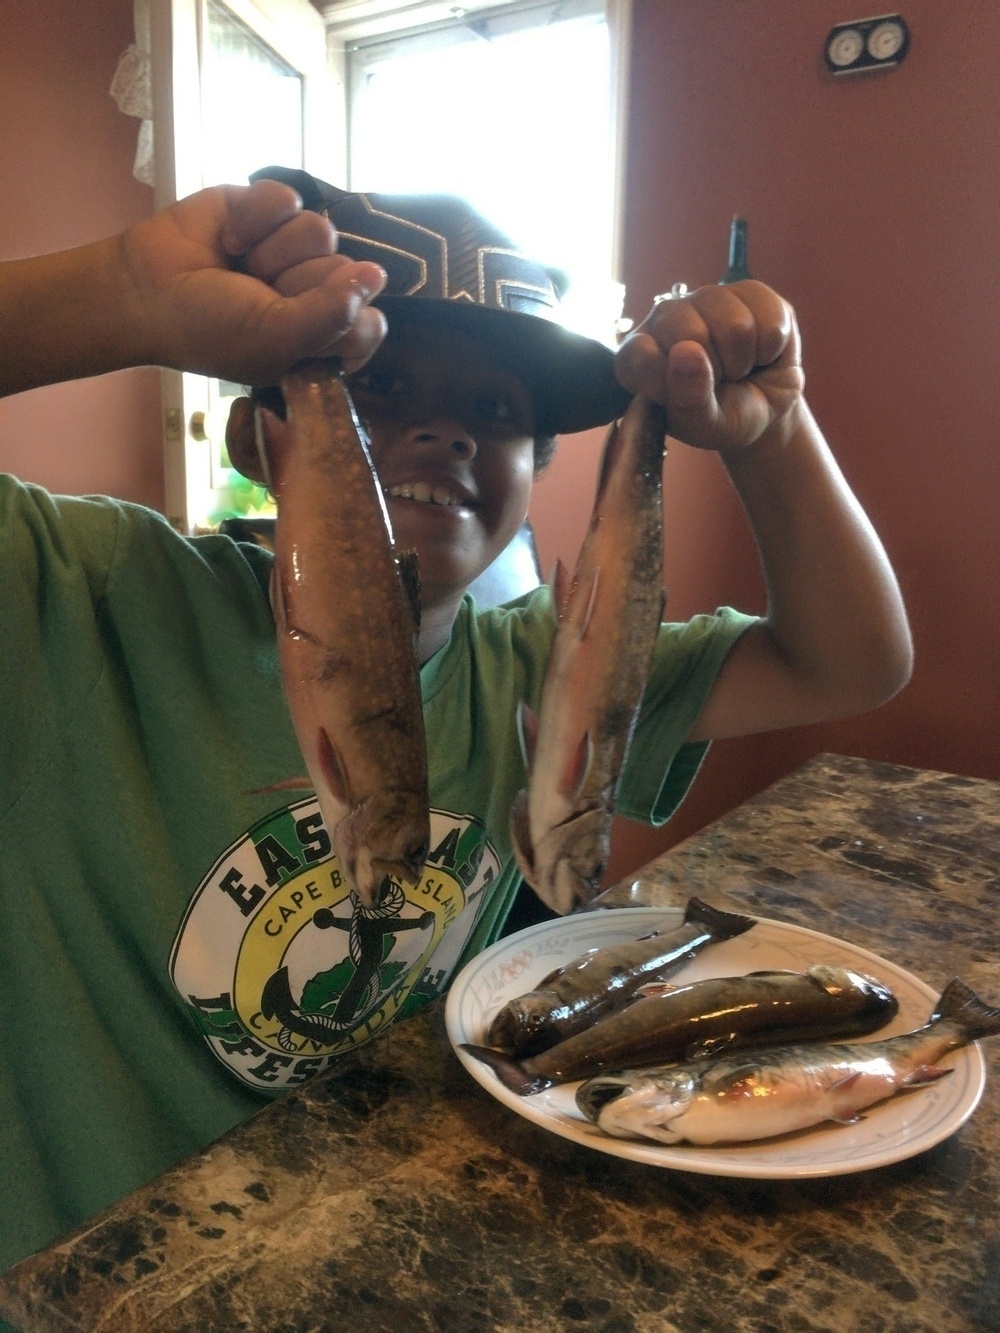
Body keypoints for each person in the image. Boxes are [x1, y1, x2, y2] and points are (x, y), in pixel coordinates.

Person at [0, 173, 912, 1275]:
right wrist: (120, 294)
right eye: (378, 384)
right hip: (99, 1281)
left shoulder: (540, 663)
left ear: (535, 477)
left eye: (496, 411)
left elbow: (851, 661)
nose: (444, 433)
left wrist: (775, 434)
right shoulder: (79, 595)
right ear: (257, 444)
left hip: (381, 1223)